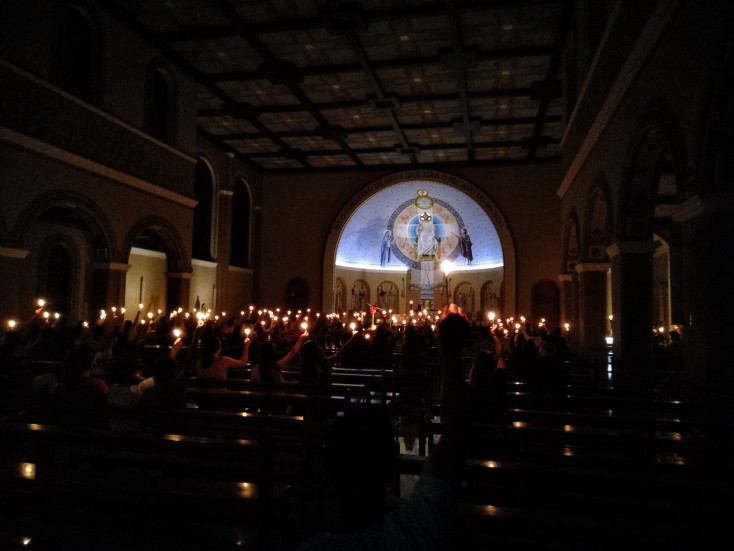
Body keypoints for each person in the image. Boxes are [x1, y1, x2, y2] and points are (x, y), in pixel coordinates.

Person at [297, 304, 470, 551]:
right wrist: (452, 352)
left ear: (327, 476)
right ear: (391, 474)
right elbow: (454, 439)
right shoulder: (413, 533)